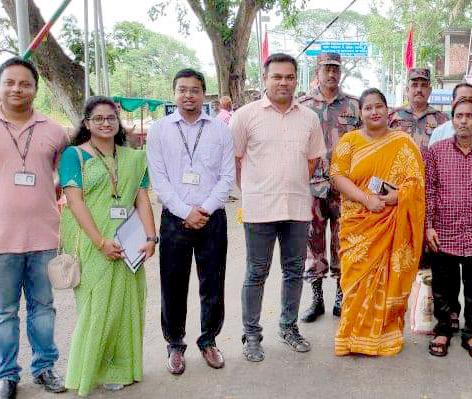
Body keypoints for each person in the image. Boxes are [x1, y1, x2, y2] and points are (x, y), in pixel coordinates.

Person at [231, 53, 326, 362]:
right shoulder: (245, 116)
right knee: (256, 272)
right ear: (265, 79)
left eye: (289, 76)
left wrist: (291, 182)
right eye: (277, 76)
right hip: (259, 208)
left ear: (296, 79)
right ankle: (252, 335)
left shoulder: (309, 118)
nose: (284, 82)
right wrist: (254, 189)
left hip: (297, 207)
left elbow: (312, 161)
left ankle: (288, 327)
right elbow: (235, 160)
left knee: (294, 271)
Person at [59, 96, 157, 396]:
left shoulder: (134, 158)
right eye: (98, 118)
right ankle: (87, 371)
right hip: (92, 244)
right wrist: (101, 242)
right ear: (87, 123)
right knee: (95, 308)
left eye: (111, 118)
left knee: (124, 307)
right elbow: (74, 202)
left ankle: (119, 368)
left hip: (128, 243)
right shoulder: (73, 156)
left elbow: (141, 198)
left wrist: (151, 237)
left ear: (119, 122)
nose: (105, 123)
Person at [147, 68, 235, 375]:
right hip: (175, 218)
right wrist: (185, 211)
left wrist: (205, 209)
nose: (188, 95)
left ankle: (209, 339)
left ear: (203, 94)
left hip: (213, 219)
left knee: (212, 283)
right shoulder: (159, 130)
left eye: (195, 90)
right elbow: (158, 179)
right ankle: (175, 344)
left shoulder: (221, 130)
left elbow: (227, 178)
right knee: (173, 284)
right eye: (182, 89)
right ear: (174, 93)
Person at [331, 88, 425, 356]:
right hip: (357, 225)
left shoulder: (404, 143)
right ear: (360, 113)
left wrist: (397, 197)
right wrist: (365, 199)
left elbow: (416, 185)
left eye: (378, 106)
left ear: (388, 110)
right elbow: (337, 176)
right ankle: (351, 338)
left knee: (386, 281)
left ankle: (384, 338)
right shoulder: (349, 141)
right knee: (354, 284)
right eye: (368, 107)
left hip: (391, 223)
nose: (374, 112)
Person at [0, 58, 68, 399]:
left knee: (43, 307)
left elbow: (65, 178)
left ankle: (44, 368)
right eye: (9, 82)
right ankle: (6, 376)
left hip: (44, 236)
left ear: (35, 89)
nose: (17, 89)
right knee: (4, 311)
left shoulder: (54, 131)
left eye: (24, 83)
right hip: (1, 240)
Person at [425, 96, 472, 359]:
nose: (464, 121)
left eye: (469, 116)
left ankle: (471, 332)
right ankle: (444, 327)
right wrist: (429, 226)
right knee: (443, 286)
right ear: (452, 120)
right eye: (459, 116)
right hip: (443, 231)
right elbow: (430, 190)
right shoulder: (437, 151)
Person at [297, 52, 361, 323]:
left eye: (336, 69)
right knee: (312, 240)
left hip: (343, 186)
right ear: (318, 71)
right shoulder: (302, 105)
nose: (332, 74)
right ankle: (316, 298)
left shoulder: (354, 107)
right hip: (312, 185)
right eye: (327, 69)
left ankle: (340, 294)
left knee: (342, 240)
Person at [389, 68, 448, 155]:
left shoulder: (442, 119)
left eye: (423, 85)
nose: (419, 90)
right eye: (414, 85)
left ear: (430, 90)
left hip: (429, 168)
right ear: (407, 90)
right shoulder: (393, 116)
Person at [428, 83, 472, 147]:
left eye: (471, 100)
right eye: (462, 100)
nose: (467, 103)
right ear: (452, 104)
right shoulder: (439, 133)